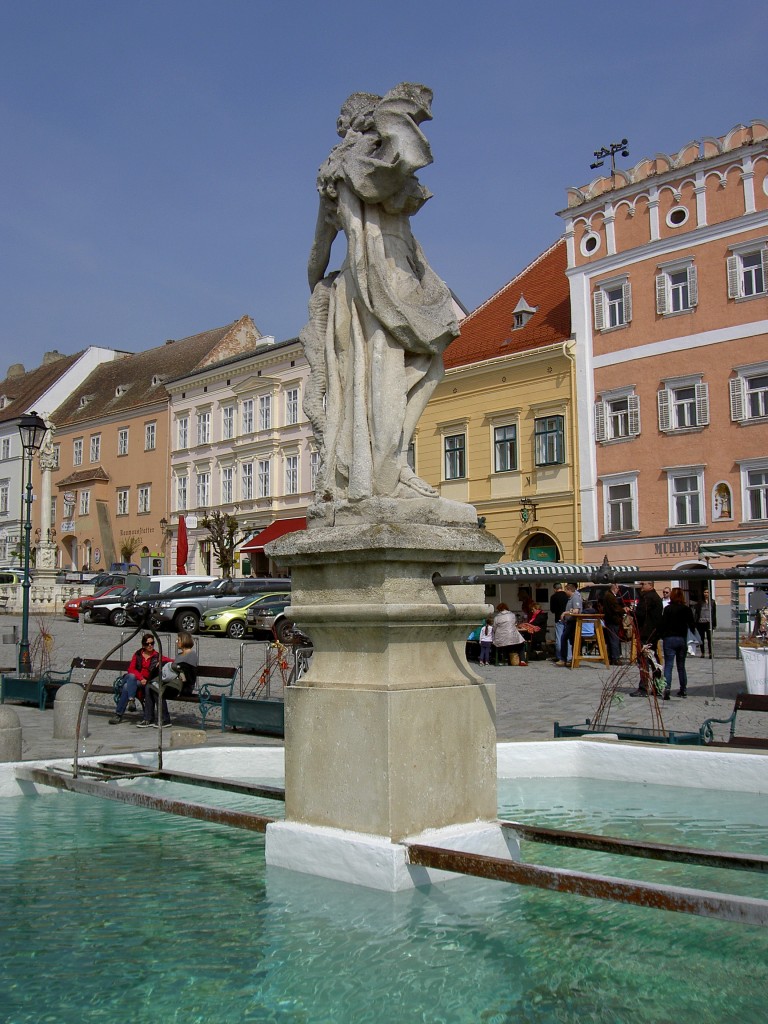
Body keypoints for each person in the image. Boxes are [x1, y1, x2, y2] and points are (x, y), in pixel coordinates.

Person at [302, 83, 459, 505]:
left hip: (385, 274)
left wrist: (315, 283)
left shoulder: (359, 170)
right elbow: (326, 244)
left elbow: (319, 249)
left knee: (421, 365)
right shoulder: (355, 171)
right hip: (373, 278)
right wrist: (323, 292)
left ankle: (390, 464)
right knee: (385, 372)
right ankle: (388, 469)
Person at [138, 632, 198, 728]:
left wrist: (170, 665)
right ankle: (148, 718)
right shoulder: (179, 655)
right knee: (150, 686)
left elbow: (186, 673)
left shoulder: (191, 654)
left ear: (184, 640)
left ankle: (165, 719)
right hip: (173, 683)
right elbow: (175, 668)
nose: (176, 642)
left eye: (178, 639)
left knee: (157, 689)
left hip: (183, 686)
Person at [109, 633, 163, 724]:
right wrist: (141, 677)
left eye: (152, 643)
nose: (150, 645)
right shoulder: (138, 654)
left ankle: (119, 713)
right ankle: (131, 700)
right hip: (135, 678)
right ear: (143, 645)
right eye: (147, 644)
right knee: (131, 676)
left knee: (126, 687)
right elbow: (131, 669)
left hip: (144, 681)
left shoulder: (157, 656)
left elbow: (170, 661)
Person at [660, 588, 696, 699]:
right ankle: (683, 689)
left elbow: (663, 624)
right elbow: (692, 625)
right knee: (681, 666)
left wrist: (662, 635)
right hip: (681, 638)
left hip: (669, 639)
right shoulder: (686, 609)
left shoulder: (667, 609)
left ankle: (667, 688)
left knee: (668, 665)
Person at [630, 581, 663, 695]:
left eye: (643, 584)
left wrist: (631, 612)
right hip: (653, 632)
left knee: (644, 660)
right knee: (653, 659)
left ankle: (644, 688)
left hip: (646, 633)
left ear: (650, 585)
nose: (641, 586)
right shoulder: (655, 597)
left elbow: (640, 614)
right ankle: (657, 686)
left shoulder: (648, 598)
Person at [555, 584, 583, 667]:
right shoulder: (570, 598)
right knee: (569, 640)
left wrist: (565, 613)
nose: (565, 592)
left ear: (569, 590)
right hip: (569, 622)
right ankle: (569, 659)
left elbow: (576, 611)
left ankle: (565, 659)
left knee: (565, 638)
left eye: (566, 590)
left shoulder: (575, 598)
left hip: (574, 622)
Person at [601, 583, 623, 665]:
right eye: (618, 588)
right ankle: (615, 658)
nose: (618, 590)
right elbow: (615, 608)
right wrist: (623, 610)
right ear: (615, 588)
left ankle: (611, 657)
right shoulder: (610, 596)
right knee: (614, 639)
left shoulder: (607, 595)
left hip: (609, 620)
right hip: (612, 620)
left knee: (611, 639)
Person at [549, 583, 568, 659]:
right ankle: (567, 655)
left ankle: (559, 656)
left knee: (559, 638)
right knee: (567, 637)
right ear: (561, 587)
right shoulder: (567, 595)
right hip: (568, 618)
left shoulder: (553, 597)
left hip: (558, 618)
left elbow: (552, 610)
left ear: (554, 589)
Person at [694, 590, 715, 658]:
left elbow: (714, 613)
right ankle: (702, 652)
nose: (706, 594)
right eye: (705, 592)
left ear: (710, 593)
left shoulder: (712, 602)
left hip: (709, 622)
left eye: (707, 592)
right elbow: (697, 612)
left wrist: (714, 623)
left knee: (710, 638)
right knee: (701, 638)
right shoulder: (700, 602)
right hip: (701, 622)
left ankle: (710, 653)